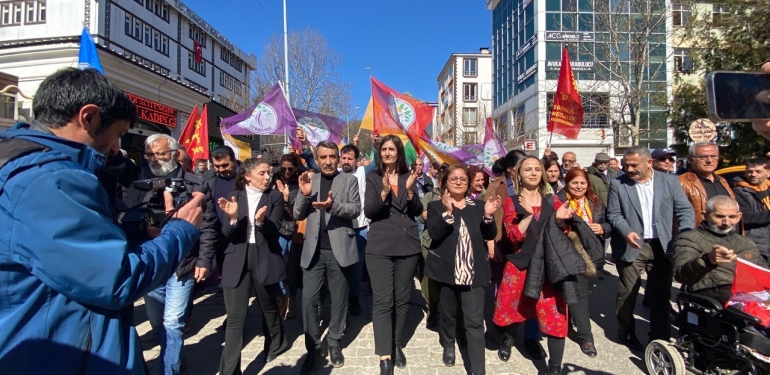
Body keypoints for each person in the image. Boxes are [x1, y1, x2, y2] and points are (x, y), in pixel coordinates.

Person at [0, 68, 204, 374]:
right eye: (118, 134)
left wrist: (137, 229)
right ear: (89, 117)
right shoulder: (50, 180)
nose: (114, 148)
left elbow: (75, 253)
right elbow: (116, 279)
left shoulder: (23, 165)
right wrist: (181, 230)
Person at [123, 134, 217, 375]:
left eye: (161, 153)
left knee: (173, 321)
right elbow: (123, 219)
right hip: (150, 262)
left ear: (175, 153)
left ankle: (169, 369)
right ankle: (174, 354)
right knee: (156, 322)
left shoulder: (196, 184)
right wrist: (145, 229)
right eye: (150, 154)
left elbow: (207, 225)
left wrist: (204, 259)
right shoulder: (136, 181)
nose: (155, 159)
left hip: (182, 264)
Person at [492, 156, 575, 375]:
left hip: (549, 269)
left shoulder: (553, 200)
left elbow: (564, 232)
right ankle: (508, 339)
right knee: (516, 309)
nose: (533, 173)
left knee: (555, 317)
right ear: (518, 174)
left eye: (537, 169)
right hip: (521, 266)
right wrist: (528, 215)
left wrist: (563, 220)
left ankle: (554, 368)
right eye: (527, 169)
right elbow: (513, 236)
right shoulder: (512, 201)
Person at [606, 146, 695, 351]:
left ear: (649, 163)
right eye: (626, 165)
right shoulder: (619, 184)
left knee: (660, 294)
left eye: (634, 165)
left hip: (662, 246)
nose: (629, 169)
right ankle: (626, 330)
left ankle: (659, 337)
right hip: (632, 244)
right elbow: (614, 214)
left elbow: (684, 210)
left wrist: (686, 234)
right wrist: (627, 231)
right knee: (627, 293)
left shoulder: (669, 182)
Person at [216, 158, 290, 374]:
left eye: (269, 173)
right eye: (262, 173)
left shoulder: (274, 196)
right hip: (237, 259)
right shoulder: (234, 196)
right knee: (236, 319)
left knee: (267, 306)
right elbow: (227, 234)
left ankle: (277, 341)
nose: (267, 177)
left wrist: (260, 222)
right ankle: (229, 371)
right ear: (247, 176)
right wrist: (231, 218)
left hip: (264, 257)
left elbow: (274, 229)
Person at [294, 140, 361, 373]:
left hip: (339, 250)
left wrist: (333, 207)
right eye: (323, 157)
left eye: (333, 156)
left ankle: (333, 341)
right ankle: (312, 348)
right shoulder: (310, 180)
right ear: (318, 157)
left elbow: (355, 210)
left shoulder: (349, 180)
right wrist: (303, 196)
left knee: (339, 299)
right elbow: (296, 213)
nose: (329, 161)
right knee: (309, 301)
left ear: (339, 157)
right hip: (313, 251)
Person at [425, 165, 499, 374]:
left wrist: (488, 217)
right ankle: (448, 343)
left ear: (468, 184)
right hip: (447, 270)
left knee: (475, 322)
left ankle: (477, 369)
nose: (458, 182)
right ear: (445, 183)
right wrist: (447, 213)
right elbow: (435, 234)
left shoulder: (479, 205)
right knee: (448, 313)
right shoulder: (435, 206)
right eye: (453, 178)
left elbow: (490, 233)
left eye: (463, 179)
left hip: (474, 271)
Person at [364, 135, 423, 375]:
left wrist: (409, 192)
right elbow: (370, 211)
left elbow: (417, 211)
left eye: (392, 149)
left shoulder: (410, 177)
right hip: (380, 247)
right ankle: (384, 354)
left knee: (401, 299)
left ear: (399, 152)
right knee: (382, 301)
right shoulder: (373, 178)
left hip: (407, 245)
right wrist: (385, 192)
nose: (387, 153)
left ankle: (397, 343)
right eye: (384, 149)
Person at [557, 169, 611, 358]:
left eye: (582, 183)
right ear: (566, 183)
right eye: (574, 183)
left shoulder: (594, 202)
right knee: (579, 295)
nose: (579, 187)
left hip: (591, 253)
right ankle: (586, 337)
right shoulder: (559, 201)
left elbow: (609, 223)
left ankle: (572, 320)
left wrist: (602, 228)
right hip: (568, 252)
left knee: (582, 291)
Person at [673, 196, 767, 304]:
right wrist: (707, 260)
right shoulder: (690, 239)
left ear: (739, 217)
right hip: (714, 300)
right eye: (719, 216)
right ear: (705, 215)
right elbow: (681, 276)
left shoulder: (746, 242)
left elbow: (763, 274)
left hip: (750, 299)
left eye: (732, 217)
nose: (726, 222)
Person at [339, 144, 376, 316]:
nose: (346, 161)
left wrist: (375, 145)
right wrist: (305, 146)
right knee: (339, 268)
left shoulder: (363, 173)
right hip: (339, 229)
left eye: (350, 158)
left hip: (360, 230)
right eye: (344, 158)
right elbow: (315, 163)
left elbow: (377, 162)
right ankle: (341, 301)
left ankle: (353, 297)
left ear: (357, 160)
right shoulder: (335, 173)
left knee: (357, 268)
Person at [269, 153, 303, 318]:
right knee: (278, 263)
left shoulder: (299, 183)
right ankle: (281, 296)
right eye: (284, 169)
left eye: (290, 169)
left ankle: (292, 297)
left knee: (293, 266)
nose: (287, 172)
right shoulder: (274, 182)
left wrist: (286, 199)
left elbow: (297, 214)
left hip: (295, 229)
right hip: (279, 229)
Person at [679, 142, 735, 228]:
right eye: (703, 157)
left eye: (713, 156)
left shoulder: (722, 181)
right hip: (699, 237)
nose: (709, 161)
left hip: (729, 236)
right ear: (690, 159)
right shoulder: (680, 182)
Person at [202, 146, 241, 272]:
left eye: (225, 165)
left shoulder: (246, 178)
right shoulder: (207, 179)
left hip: (240, 232)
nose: (221, 170)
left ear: (234, 161)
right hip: (217, 233)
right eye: (216, 166)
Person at [733, 157, 770, 261]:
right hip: (758, 244)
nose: (753, 174)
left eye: (758, 171)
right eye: (749, 171)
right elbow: (746, 217)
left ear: (768, 173)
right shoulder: (740, 192)